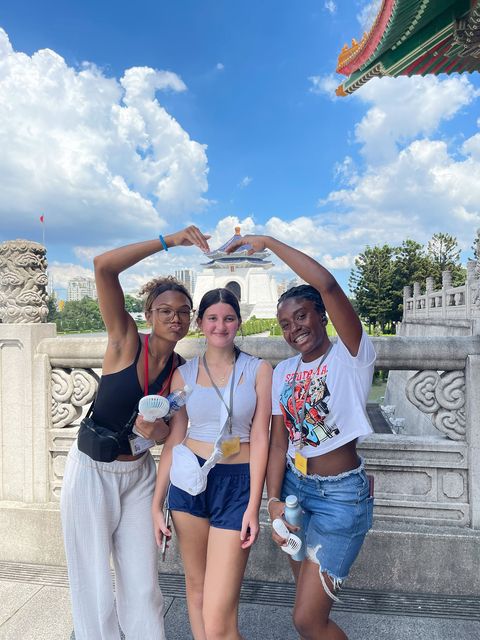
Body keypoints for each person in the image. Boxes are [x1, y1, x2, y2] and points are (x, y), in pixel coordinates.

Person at [60, 226, 210, 640]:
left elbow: (166, 435)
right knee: (92, 581)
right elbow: (103, 267)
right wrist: (169, 241)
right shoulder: (125, 341)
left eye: (183, 311)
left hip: (139, 475)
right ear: (149, 315)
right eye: (165, 310)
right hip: (93, 471)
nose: (175, 318)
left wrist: (155, 429)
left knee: (144, 582)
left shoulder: (179, 370)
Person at [227, 234, 375, 640]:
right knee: (306, 604)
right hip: (294, 491)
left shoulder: (351, 356)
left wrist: (269, 243)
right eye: (286, 324)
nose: (295, 329)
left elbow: (327, 284)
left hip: (341, 497)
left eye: (303, 317)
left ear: (322, 315)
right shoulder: (283, 372)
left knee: (307, 620)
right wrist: (272, 502)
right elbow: (278, 442)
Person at [152, 287, 272, 640]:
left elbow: (262, 436)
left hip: (237, 484)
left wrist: (255, 505)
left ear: (239, 322)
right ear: (201, 324)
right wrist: (157, 503)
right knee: (198, 588)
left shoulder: (258, 370)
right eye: (213, 318)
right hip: (190, 482)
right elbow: (175, 438)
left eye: (229, 318)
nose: (221, 326)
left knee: (218, 614)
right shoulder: (184, 375)